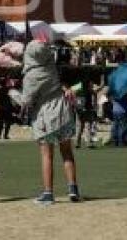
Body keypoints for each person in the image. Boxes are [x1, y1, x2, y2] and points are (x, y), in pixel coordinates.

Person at [22, 41, 80, 205]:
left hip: (46, 116)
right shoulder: (51, 67)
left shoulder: (31, 75)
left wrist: (14, 93)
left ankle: (48, 192)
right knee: (67, 152)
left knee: (47, 155)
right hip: (63, 112)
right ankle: (73, 188)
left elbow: (27, 101)